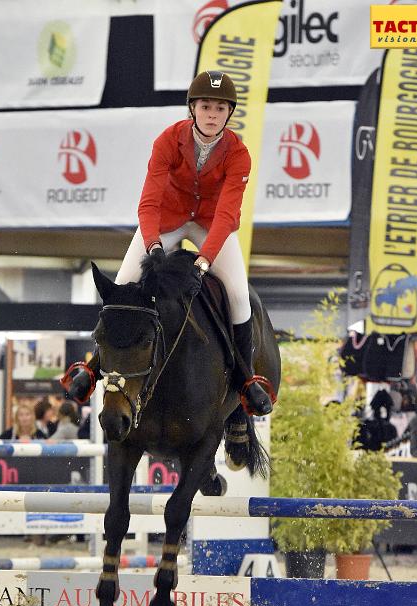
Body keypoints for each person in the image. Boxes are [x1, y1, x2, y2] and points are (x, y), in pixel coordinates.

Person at [66, 70, 272, 416]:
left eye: (220, 109)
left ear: (229, 113)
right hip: (167, 222)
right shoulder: (167, 141)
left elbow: (226, 213)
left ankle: (246, 378)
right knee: (122, 286)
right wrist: (154, 248)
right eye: (205, 106)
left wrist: (204, 261)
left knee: (238, 295)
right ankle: (93, 367)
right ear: (192, 108)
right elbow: (149, 202)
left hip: (210, 226)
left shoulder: (239, 154)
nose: (212, 115)